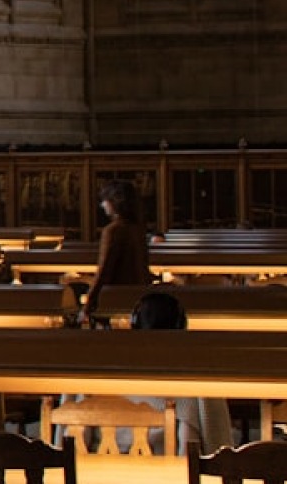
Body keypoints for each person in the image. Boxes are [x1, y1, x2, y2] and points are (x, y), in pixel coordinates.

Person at [128, 292, 232, 452]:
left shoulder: (101, 373)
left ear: (133, 325)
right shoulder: (195, 385)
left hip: (99, 471)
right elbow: (218, 443)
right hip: (171, 472)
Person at [79, 180, 152, 324]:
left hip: (114, 300)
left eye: (105, 200)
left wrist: (88, 306)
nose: (102, 205)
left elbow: (104, 271)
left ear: (114, 202)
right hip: (139, 298)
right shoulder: (138, 229)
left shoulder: (112, 231)